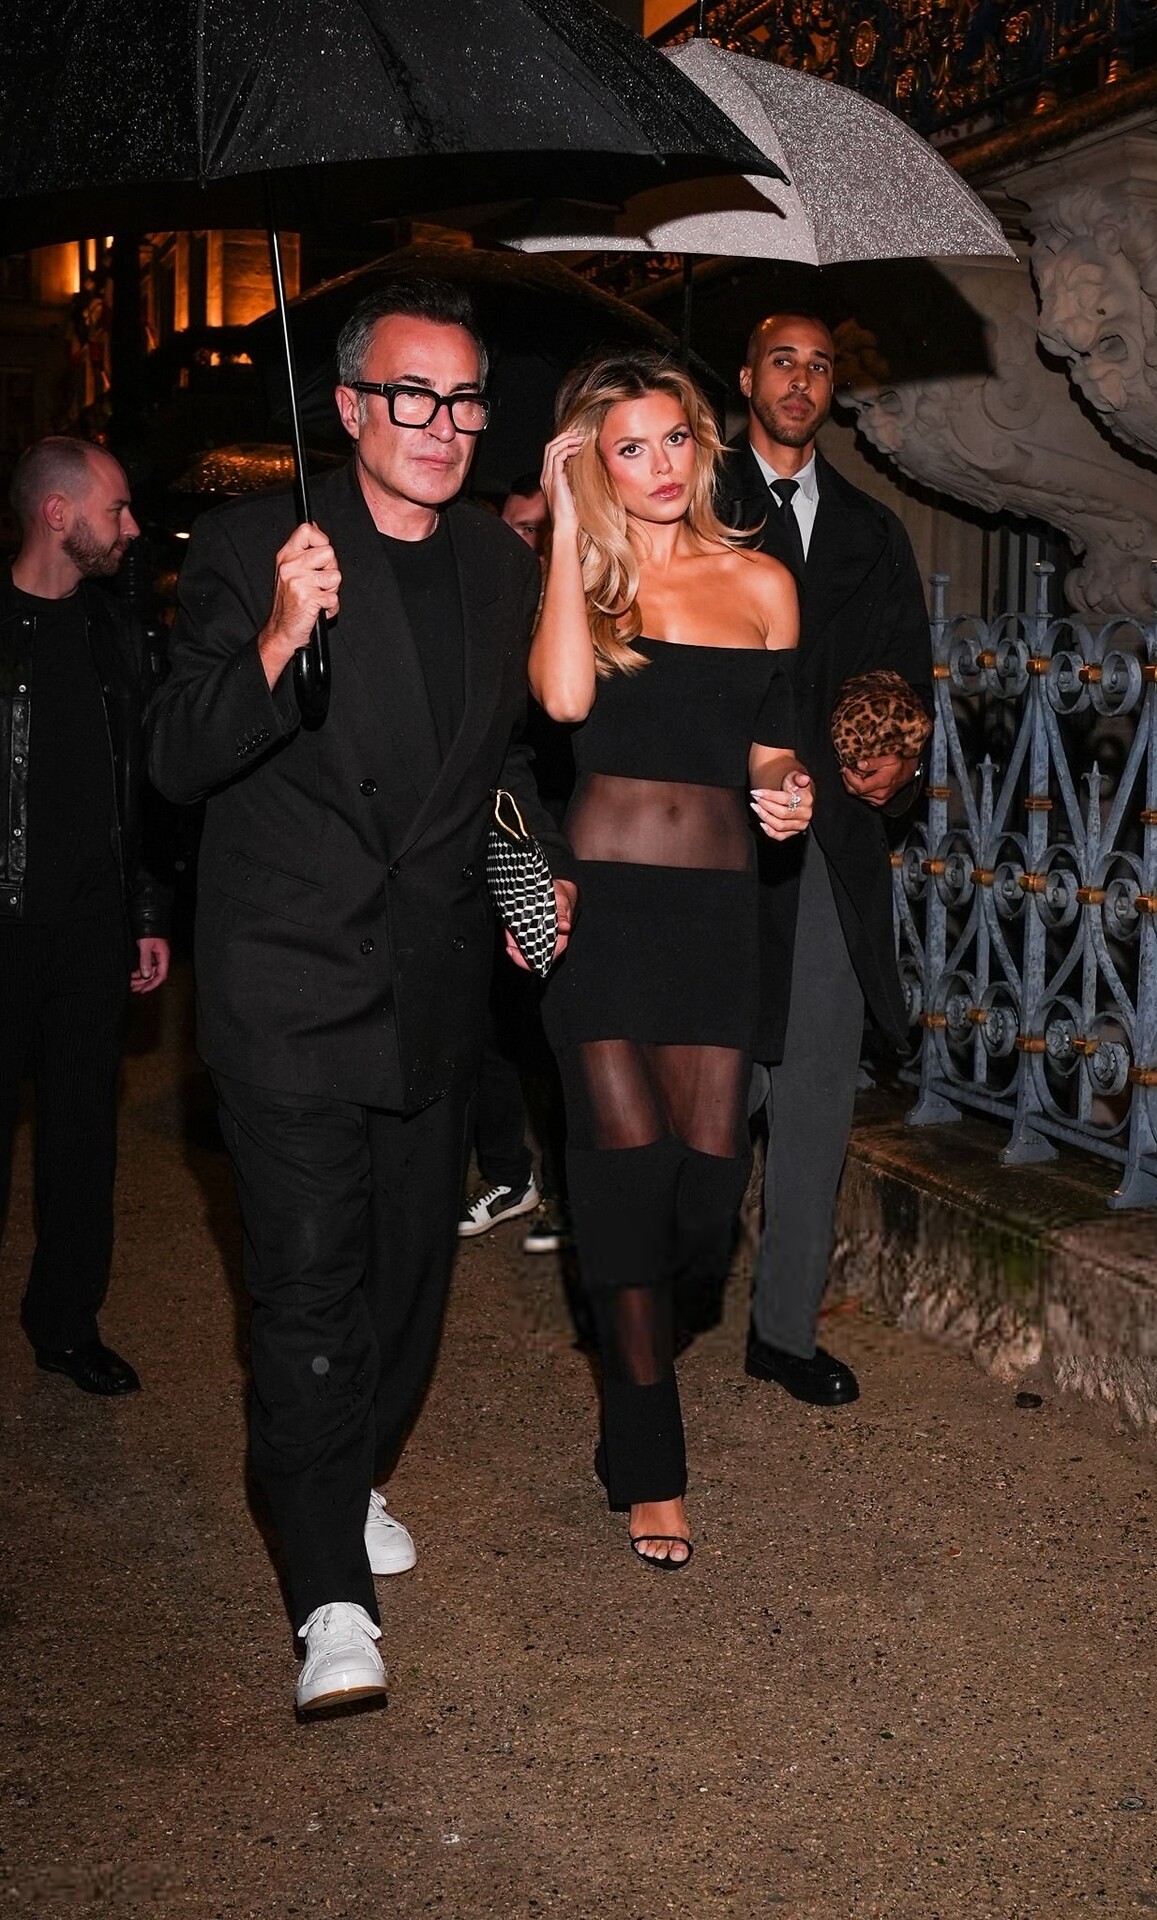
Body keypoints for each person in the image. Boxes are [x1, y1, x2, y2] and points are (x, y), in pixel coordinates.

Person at [148, 279, 576, 1714]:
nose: (442, 424)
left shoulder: (500, 566)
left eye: (463, 400)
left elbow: (498, 768)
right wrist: (278, 638)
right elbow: (176, 758)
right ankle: (327, 1591)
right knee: (309, 1295)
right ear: (346, 406)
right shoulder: (251, 545)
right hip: (288, 991)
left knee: (408, 1289)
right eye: (411, 394)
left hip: (430, 994)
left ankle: (350, 1469)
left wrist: (533, 872)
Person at [531, 348, 812, 1569]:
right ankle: (650, 1462)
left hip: (713, 915)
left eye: (672, 439)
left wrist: (787, 789)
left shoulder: (761, 582)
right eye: (626, 448)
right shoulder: (582, 584)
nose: (655, 466)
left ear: (701, 443)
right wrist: (561, 532)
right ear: (593, 463)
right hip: (599, 916)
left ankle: (633, 1347)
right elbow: (559, 704)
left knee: (704, 1192)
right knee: (623, 1179)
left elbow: (769, 742)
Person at [718, 313, 933, 1408]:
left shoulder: (871, 531)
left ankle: (784, 1330)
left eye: (818, 366)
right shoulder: (690, 500)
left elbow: (905, 680)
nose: (799, 382)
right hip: (709, 840)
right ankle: (661, 1291)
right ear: (745, 377)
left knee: (810, 1099)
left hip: (826, 854)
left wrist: (895, 765)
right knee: (706, 1088)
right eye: (781, 362)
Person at [1, 438, 170, 1397]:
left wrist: (146, 906)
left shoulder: (119, 634)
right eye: (117, 509)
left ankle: (65, 1325)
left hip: (91, 933)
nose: (132, 528)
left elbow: (144, 787)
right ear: (58, 514)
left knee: (81, 1144)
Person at [458, 472, 572, 1256]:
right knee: (490, 1016)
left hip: (572, 828)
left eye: (542, 529)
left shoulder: (583, 604)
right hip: (505, 829)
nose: (528, 543)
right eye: (519, 528)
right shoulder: (488, 602)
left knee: (561, 1028)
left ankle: (570, 1192)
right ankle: (510, 1173)